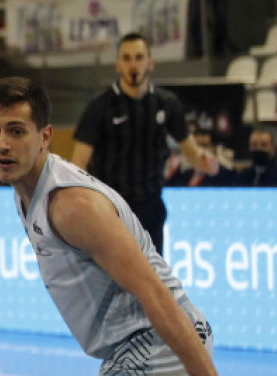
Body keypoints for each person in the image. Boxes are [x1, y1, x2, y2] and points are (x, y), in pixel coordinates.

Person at [0, 76, 274, 376]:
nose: (2, 144)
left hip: (155, 344)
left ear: (44, 137)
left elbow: (155, 295)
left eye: (16, 131)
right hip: (160, 340)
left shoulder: (72, 205)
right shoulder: (25, 189)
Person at [70, 32, 218, 254]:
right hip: (111, 208)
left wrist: (205, 161)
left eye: (139, 58)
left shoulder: (167, 104)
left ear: (151, 63)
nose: (133, 64)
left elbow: (191, 150)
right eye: (127, 58)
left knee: (153, 279)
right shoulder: (100, 108)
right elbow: (78, 163)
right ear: (118, 65)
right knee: (114, 279)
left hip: (150, 207)